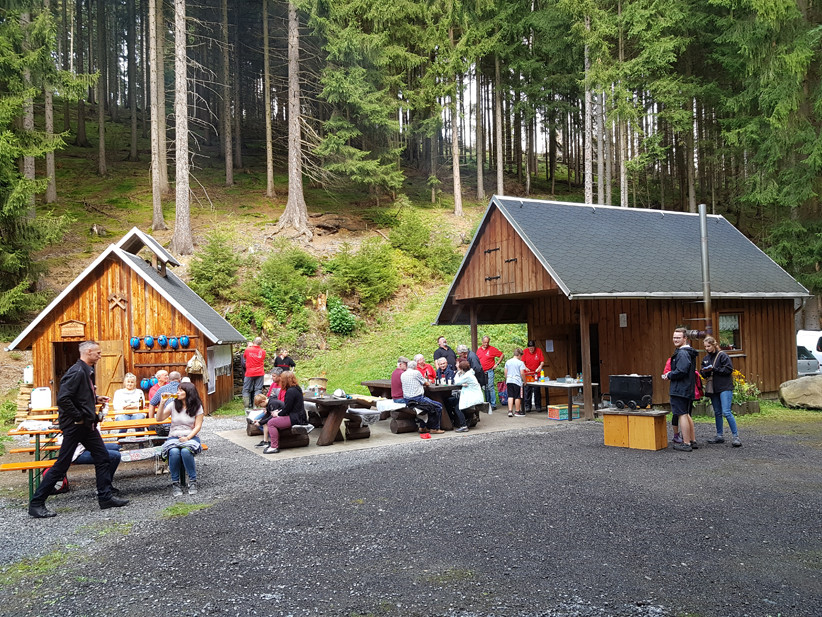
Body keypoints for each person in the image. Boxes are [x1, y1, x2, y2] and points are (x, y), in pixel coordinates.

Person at [28, 340, 129, 518]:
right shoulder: (77, 371)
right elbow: (63, 399)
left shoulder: (85, 371)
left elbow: (77, 397)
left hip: (87, 426)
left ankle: (105, 497)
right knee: (62, 465)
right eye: (97, 353)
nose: (100, 355)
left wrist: (95, 399)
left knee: (103, 457)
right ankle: (36, 503)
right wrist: (78, 417)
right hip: (76, 427)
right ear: (88, 352)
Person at [157, 382, 204, 496]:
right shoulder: (173, 404)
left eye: (181, 390)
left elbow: (198, 426)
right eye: (178, 390)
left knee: (185, 451)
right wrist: (162, 403)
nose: (178, 392)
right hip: (174, 436)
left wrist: (187, 437)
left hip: (191, 437)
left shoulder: (197, 406)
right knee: (173, 452)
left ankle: (192, 481)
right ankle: (175, 483)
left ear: (189, 393)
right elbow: (159, 418)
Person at [662, 327, 698, 452]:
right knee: (686, 414)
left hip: (680, 388)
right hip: (687, 387)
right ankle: (692, 440)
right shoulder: (688, 352)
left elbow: (682, 370)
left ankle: (686, 443)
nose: (675, 340)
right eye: (674, 337)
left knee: (682, 414)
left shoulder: (682, 353)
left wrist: (669, 375)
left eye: (678, 337)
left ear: (685, 338)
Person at [701, 336, 742, 447]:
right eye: (705, 347)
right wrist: (704, 371)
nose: (707, 348)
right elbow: (703, 374)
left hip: (725, 387)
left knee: (726, 412)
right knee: (717, 412)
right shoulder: (705, 358)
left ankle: (736, 436)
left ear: (714, 345)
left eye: (708, 346)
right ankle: (719, 435)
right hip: (713, 388)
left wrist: (714, 369)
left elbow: (728, 369)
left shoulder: (722, 355)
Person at [264, 371, 308, 454]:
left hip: (295, 418)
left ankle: (274, 446)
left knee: (271, 423)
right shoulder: (297, 388)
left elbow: (287, 409)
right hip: (299, 416)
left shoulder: (290, 391)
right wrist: (279, 411)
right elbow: (288, 407)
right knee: (274, 419)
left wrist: (278, 414)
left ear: (284, 381)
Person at [402, 360, 444, 434]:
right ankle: (435, 428)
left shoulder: (403, 374)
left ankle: (423, 427)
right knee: (438, 406)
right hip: (417, 399)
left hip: (407, 400)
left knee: (427, 407)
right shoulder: (416, 373)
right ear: (415, 367)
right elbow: (426, 383)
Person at [452, 359, 484, 433]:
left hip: (473, 397)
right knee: (451, 401)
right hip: (471, 395)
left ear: (462, 369)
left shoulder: (467, 375)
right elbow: (460, 382)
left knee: (458, 407)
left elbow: (456, 382)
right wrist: (462, 383)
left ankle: (464, 426)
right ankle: (465, 420)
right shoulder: (469, 374)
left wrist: (457, 373)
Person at [476, 336, 504, 408]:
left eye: (487, 342)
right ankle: (487, 403)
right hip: (482, 372)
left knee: (490, 387)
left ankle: (493, 404)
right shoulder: (479, 350)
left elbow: (501, 355)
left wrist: (497, 364)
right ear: (482, 342)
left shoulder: (492, 349)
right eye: (485, 342)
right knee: (485, 387)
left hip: (490, 370)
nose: (486, 344)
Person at [242, 337, 267, 409]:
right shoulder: (263, 351)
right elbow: (262, 359)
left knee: (246, 389)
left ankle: (246, 407)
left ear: (253, 342)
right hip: (260, 372)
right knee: (258, 389)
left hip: (249, 372)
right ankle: (255, 406)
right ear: (261, 343)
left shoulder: (248, 350)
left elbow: (245, 357)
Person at [522, 340, 545, 413]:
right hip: (528, 374)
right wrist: (525, 367)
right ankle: (528, 406)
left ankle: (538, 406)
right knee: (527, 390)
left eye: (532, 348)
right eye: (530, 348)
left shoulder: (539, 351)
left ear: (534, 347)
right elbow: (522, 362)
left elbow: (542, 361)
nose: (531, 350)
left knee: (537, 390)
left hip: (536, 373)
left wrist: (540, 366)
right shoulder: (525, 351)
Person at [504, 348, 527, 417]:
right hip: (517, 381)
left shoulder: (508, 362)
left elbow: (505, 372)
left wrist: (507, 379)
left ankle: (510, 411)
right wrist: (525, 381)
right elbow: (522, 373)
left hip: (509, 380)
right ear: (519, 355)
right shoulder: (520, 363)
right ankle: (517, 411)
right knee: (517, 396)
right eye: (521, 356)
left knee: (510, 395)